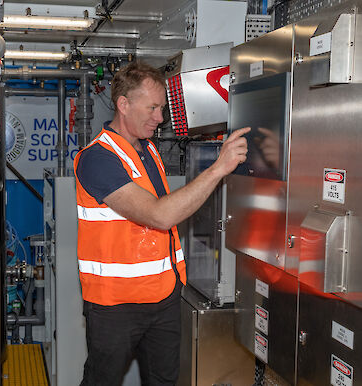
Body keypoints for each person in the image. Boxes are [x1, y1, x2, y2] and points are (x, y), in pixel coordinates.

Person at [74, 61, 250, 386]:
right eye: (152, 107)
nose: (160, 118)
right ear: (123, 104)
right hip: (116, 305)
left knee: (163, 381)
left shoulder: (149, 149)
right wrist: (218, 168)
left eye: (162, 108)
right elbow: (159, 214)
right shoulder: (97, 158)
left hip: (164, 297)